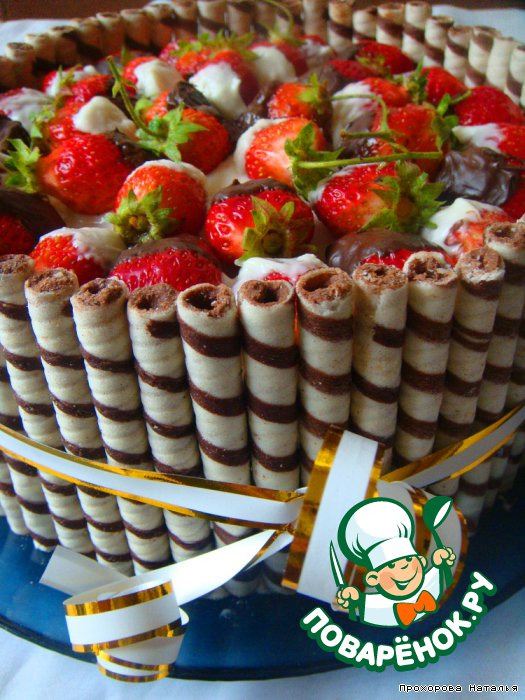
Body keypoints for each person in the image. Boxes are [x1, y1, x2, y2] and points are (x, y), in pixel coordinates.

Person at [335, 497, 456, 627]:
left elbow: (438, 575)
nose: (403, 568)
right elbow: (361, 605)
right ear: (373, 578)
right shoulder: (378, 605)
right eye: (392, 565)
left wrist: (441, 562)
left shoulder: (432, 582)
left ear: (421, 561)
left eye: (408, 560)